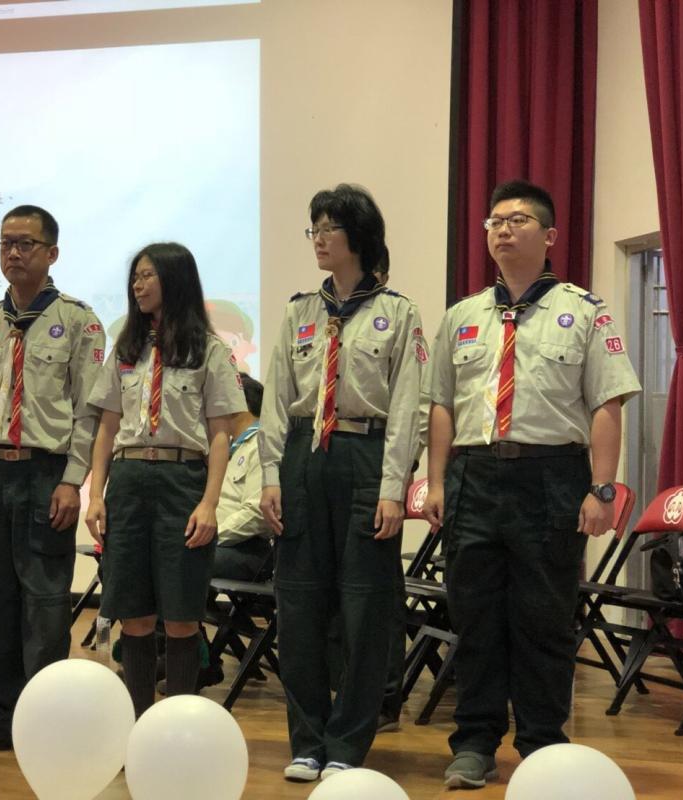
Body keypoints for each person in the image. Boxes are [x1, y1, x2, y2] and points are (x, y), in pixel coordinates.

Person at [423, 180, 641, 789]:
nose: (501, 230)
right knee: (475, 616)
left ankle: (544, 744)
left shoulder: (585, 311)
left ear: (548, 236)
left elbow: (606, 404)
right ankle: (474, 743)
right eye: (493, 221)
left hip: (551, 477)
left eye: (516, 220)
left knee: (545, 618)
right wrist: (436, 481)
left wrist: (602, 490)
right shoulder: (462, 316)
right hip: (473, 476)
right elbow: (440, 404)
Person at [259, 184, 425, 783]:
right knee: (298, 604)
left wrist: (391, 489)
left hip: (365, 453)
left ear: (359, 235)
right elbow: (276, 401)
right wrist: (272, 475)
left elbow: (408, 408)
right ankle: (306, 740)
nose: (319, 239)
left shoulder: (399, 313)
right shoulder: (298, 311)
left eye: (329, 227)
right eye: (314, 228)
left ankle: (349, 742)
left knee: (365, 609)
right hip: (305, 455)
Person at [0, 204, 106, 753]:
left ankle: (45, 715)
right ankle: (1, 713)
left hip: (45, 475)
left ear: (52, 253)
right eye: (6, 243)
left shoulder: (78, 321)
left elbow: (89, 411)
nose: (13, 252)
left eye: (26, 244)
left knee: (43, 602)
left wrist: (73, 480)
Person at [85, 242, 244, 718]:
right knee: (133, 611)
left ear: (174, 280)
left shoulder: (209, 350)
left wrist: (210, 503)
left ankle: (177, 723)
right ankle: (136, 723)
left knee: (181, 612)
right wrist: (96, 495)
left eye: (148, 275)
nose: (137, 285)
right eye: (134, 276)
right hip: (130, 479)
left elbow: (221, 435)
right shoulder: (126, 348)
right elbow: (107, 427)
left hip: (182, 479)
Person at [213, 371, 271, 582]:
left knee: (175, 563)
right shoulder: (229, 450)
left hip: (247, 550)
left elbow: (257, 513)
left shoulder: (261, 446)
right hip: (221, 544)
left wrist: (212, 536)